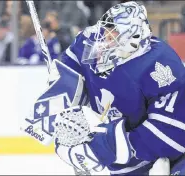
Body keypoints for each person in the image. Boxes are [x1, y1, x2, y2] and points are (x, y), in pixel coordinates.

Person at [23, 1, 185, 175]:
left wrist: (102, 147)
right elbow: (71, 66)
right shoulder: (90, 41)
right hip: (124, 163)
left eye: (113, 32)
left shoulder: (162, 66)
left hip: (174, 157)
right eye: (107, 28)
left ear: (134, 38)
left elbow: (172, 133)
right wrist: (60, 90)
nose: (105, 36)